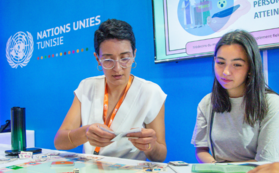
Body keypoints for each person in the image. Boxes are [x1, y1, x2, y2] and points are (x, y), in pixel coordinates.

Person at [54, 19, 167, 162]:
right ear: (97, 59)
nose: (117, 68)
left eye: (125, 58)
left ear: (134, 55)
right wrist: (85, 132)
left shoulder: (151, 92)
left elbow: (161, 156)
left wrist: (150, 145)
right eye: (108, 60)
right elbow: (59, 142)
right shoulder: (86, 87)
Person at [191, 30, 279, 163]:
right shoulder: (207, 102)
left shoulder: (271, 104)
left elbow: (266, 161)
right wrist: (218, 169)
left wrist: (226, 170)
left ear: (250, 67)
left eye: (237, 65)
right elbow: (201, 150)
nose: (226, 72)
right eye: (220, 63)